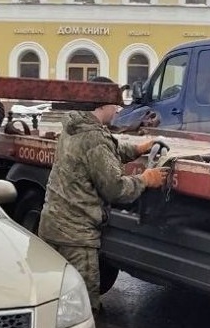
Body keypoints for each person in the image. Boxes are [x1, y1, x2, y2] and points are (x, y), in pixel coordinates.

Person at [37, 76, 168, 315]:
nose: (117, 109)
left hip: (52, 225)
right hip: (76, 237)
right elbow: (115, 189)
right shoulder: (94, 138)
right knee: (82, 308)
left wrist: (137, 149)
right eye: (114, 104)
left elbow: (104, 152)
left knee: (53, 301)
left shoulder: (73, 127)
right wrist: (146, 180)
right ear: (102, 104)